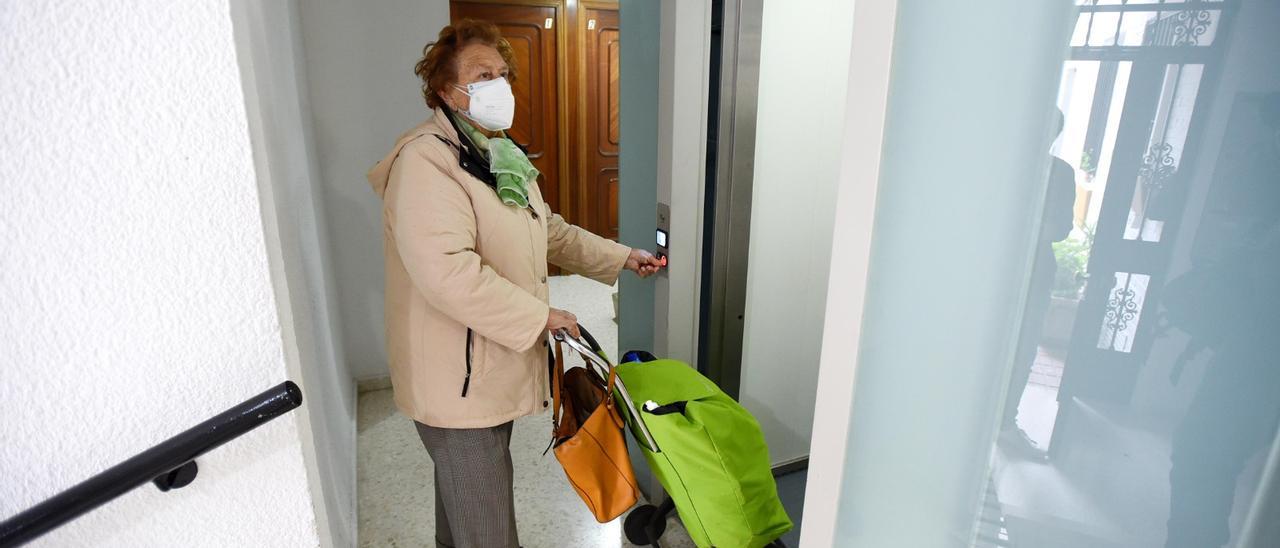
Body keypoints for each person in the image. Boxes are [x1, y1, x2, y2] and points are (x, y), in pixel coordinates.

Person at [365, 19, 662, 548]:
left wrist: (623, 257)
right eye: (482, 75)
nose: (499, 86)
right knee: (488, 530)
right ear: (445, 89)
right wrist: (541, 316)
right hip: (456, 379)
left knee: (461, 511)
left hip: (482, 369)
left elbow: (547, 232)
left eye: (503, 73)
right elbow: (447, 270)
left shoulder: (496, 154)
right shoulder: (426, 162)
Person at [1000, 109, 1078, 454]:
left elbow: (1060, 228)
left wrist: (1030, 225)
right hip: (994, 270)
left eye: (1051, 130)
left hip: (1036, 271)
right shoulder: (1003, 166)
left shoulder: (1061, 173)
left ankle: (1004, 423)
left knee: (1024, 348)